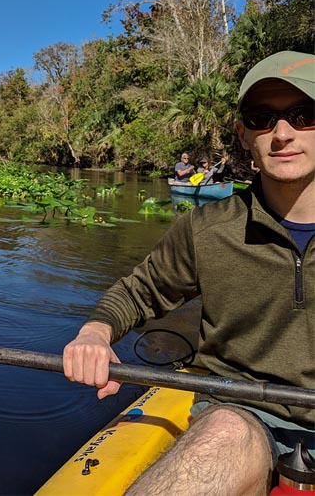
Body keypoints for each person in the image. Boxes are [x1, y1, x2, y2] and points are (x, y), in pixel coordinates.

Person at [63, 50, 315, 496]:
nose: (281, 134)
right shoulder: (206, 229)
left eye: (304, 115)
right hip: (244, 412)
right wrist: (95, 334)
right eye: (262, 118)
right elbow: (140, 292)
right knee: (224, 434)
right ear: (243, 135)